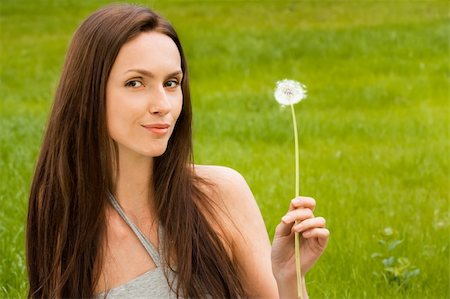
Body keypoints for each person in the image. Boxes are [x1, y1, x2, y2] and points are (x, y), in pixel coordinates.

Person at [26, 4, 329, 298]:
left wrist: (289, 277)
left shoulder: (221, 195)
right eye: (135, 83)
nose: (163, 105)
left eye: (171, 83)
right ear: (88, 93)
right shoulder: (63, 214)